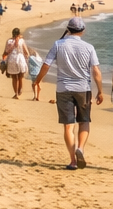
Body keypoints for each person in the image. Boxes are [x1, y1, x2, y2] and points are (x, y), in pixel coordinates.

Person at [34, 16, 104, 170]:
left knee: (68, 126)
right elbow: (96, 71)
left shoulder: (58, 44)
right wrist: (100, 91)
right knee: (84, 121)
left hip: (63, 88)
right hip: (83, 89)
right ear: (83, 31)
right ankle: (81, 148)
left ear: (68, 29)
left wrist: (38, 80)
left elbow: (46, 65)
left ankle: (73, 160)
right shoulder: (89, 47)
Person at [2, 27, 31, 99]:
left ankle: (16, 94)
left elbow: (6, 51)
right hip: (20, 59)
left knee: (14, 77)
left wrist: (3, 58)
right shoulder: (21, 41)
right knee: (21, 76)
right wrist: (27, 59)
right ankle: (20, 89)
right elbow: (26, 52)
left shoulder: (9, 41)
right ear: (19, 34)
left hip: (12, 59)